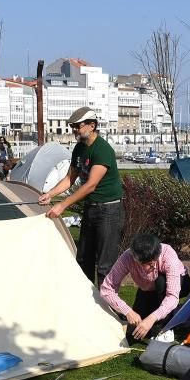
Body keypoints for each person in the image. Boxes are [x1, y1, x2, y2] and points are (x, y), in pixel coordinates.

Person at [38, 106, 124, 283]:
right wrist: (50, 194)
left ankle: (108, 308)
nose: (74, 130)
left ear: (92, 126)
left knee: (104, 266)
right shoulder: (79, 149)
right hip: (91, 209)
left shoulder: (103, 150)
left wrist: (62, 205)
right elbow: (70, 178)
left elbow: (90, 185)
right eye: (72, 126)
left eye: (78, 126)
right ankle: (87, 304)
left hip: (109, 210)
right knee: (84, 259)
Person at [100, 233, 190, 342]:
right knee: (134, 328)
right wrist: (128, 312)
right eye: (145, 264)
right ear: (135, 258)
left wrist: (152, 319)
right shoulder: (127, 258)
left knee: (161, 282)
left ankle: (164, 325)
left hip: (180, 283)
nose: (150, 267)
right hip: (148, 288)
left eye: (152, 263)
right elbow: (106, 289)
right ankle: (160, 314)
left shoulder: (169, 255)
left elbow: (172, 296)